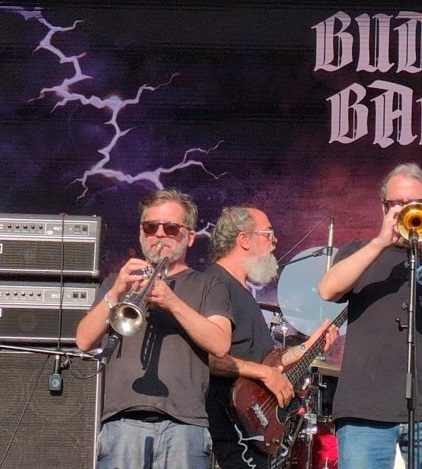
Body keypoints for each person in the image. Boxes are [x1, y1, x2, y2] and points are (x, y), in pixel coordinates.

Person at [317, 162, 422, 469]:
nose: (407, 210)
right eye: (398, 204)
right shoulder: (358, 251)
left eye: (415, 203)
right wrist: (381, 242)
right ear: (383, 207)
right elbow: (327, 290)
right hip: (364, 407)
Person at [75, 188, 233, 469]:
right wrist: (116, 292)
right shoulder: (117, 282)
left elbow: (220, 344)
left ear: (190, 236)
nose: (159, 235)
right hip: (121, 422)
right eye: (151, 227)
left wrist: (173, 303)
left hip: (185, 425)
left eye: (171, 228)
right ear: (141, 232)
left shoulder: (209, 285)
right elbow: (84, 341)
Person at [205, 205, 339, 469]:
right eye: (268, 233)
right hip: (227, 423)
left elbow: (264, 360)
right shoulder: (215, 283)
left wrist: (308, 347)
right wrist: (265, 374)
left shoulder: (242, 290)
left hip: (250, 426)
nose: (275, 241)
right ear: (244, 239)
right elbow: (209, 357)